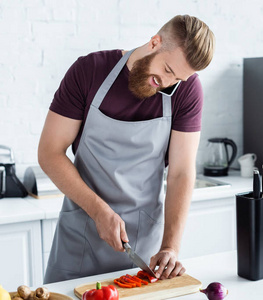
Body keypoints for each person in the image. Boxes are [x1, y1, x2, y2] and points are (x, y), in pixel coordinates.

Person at [39, 15, 215, 284]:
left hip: (142, 249)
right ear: (154, 43)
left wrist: (170, 246)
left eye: (178, 78)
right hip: (80, 239)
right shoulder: (89, 71)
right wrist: (99, 211)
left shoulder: (187, 90)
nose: (168, 83)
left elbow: (181, 172)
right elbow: (49, 153)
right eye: (168, 70)